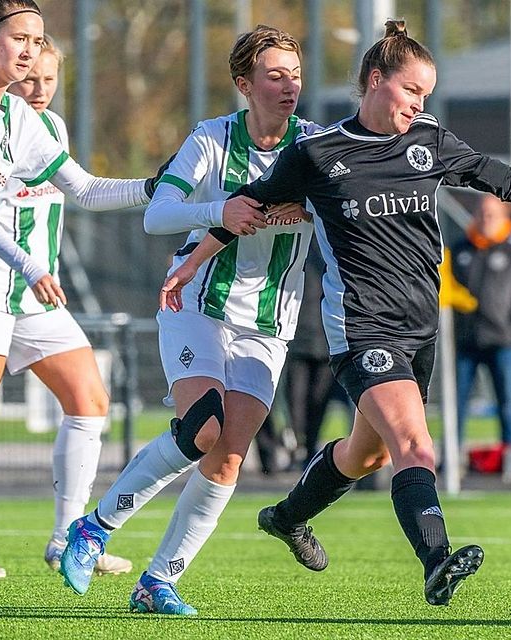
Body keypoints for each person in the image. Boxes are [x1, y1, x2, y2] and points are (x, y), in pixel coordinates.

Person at [161, 20, 511, 607]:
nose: (419, 104)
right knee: (417, 445)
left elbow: (506, 179)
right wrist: (191, 263)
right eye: (411, 90)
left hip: (421, 328)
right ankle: (437, 562)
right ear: (374, 80)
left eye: (426, 95)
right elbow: (247, 208)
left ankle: (287, 517)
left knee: (368, 453)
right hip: (362, 328)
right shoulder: (316, 153)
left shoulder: (430, 142)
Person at [59, 25, 322, 616]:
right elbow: (158, 214)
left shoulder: (315, 146)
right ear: (244, 84)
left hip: (268, 320)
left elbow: (335, 209)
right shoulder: (210, 138)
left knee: (228, 453)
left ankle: (157, 581)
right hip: (195, 301)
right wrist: (218, 209)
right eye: (274, 75)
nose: (289, 86)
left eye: (295, 75)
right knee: (204, 426)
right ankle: (95, 528)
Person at [0, 34, 147, 580]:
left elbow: (87, 190)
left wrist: (164, 186)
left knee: (89, 398)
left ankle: (66, 537)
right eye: (29, 77)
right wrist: (28, 264)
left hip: (39, 296)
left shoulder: (46, 128)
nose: (38, 87)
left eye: (49, 78)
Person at [449, 194, 511, 482]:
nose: (486, 219)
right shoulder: (460, 248)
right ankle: (452, 456)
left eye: (492, 214)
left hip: (503, 340)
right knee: (457, 402)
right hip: (467, 340)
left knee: (507, 401)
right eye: (482, 213)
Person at [282, 238, 337, 469]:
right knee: (295, 399)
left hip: (326, 341)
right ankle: (299, 446)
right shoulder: (296, 248)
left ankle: (310, 447)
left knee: (319, 399)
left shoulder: (331, 251)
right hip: (297, 338)